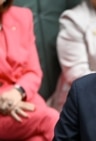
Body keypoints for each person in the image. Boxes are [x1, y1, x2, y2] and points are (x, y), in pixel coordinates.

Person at [0, 0, 59, 140]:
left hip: (23, 97)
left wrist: (17, 92)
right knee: (52, 120)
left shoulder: (22, 16)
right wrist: (4, 100)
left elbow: (33, 71)